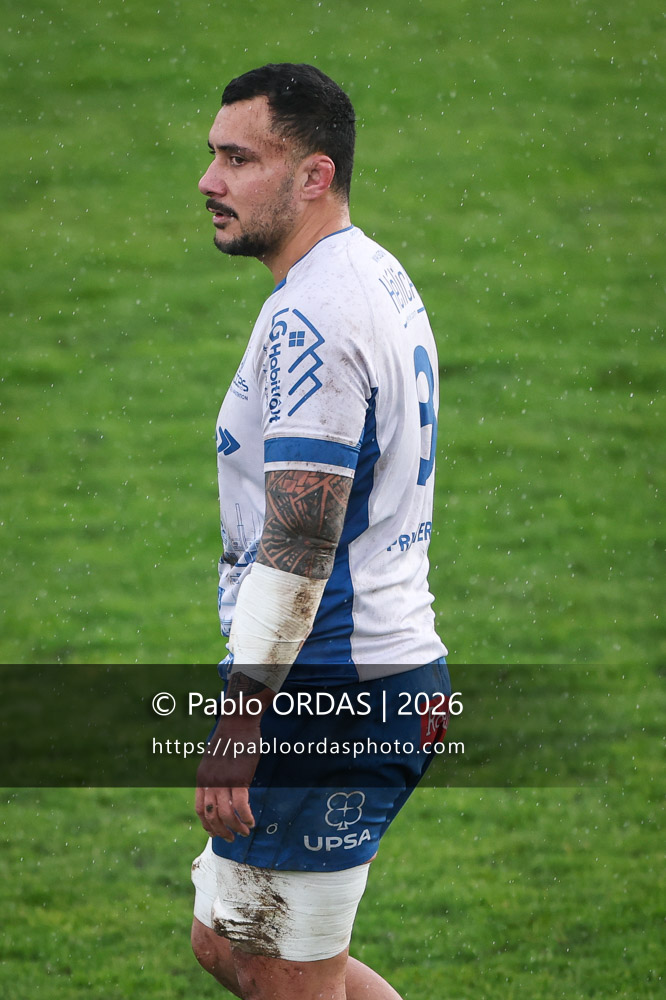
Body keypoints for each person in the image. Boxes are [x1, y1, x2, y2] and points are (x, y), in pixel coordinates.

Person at [190, 63, 450, 1000]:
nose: (210, 180)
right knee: (229, 944)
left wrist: (242, 720)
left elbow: (301, 546)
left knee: (280, 974)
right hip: (365, 675)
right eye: (213, 155)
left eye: (239, 159)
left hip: (333, 688)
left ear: (314, 176)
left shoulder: (314, 315)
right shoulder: (368, 271)